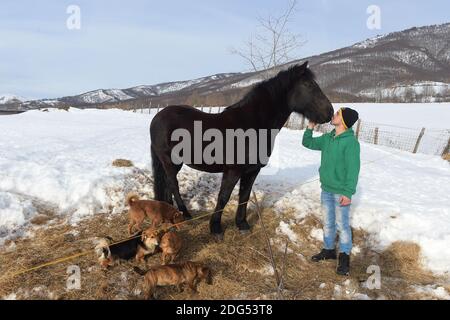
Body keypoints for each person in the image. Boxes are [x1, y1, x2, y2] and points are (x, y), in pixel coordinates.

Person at [302, 107, 360, 276]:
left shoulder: (351, 143)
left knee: (342, 225)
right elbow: (308, 143)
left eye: (337, 114)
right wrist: (310, 127)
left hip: (341, 192)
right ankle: (328, 250)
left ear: (343, 121)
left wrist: (348, 193)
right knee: (328, 222)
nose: (333, 115)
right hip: (326, 189)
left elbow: (353, 169)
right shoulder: (328, 138)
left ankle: (344, 256)